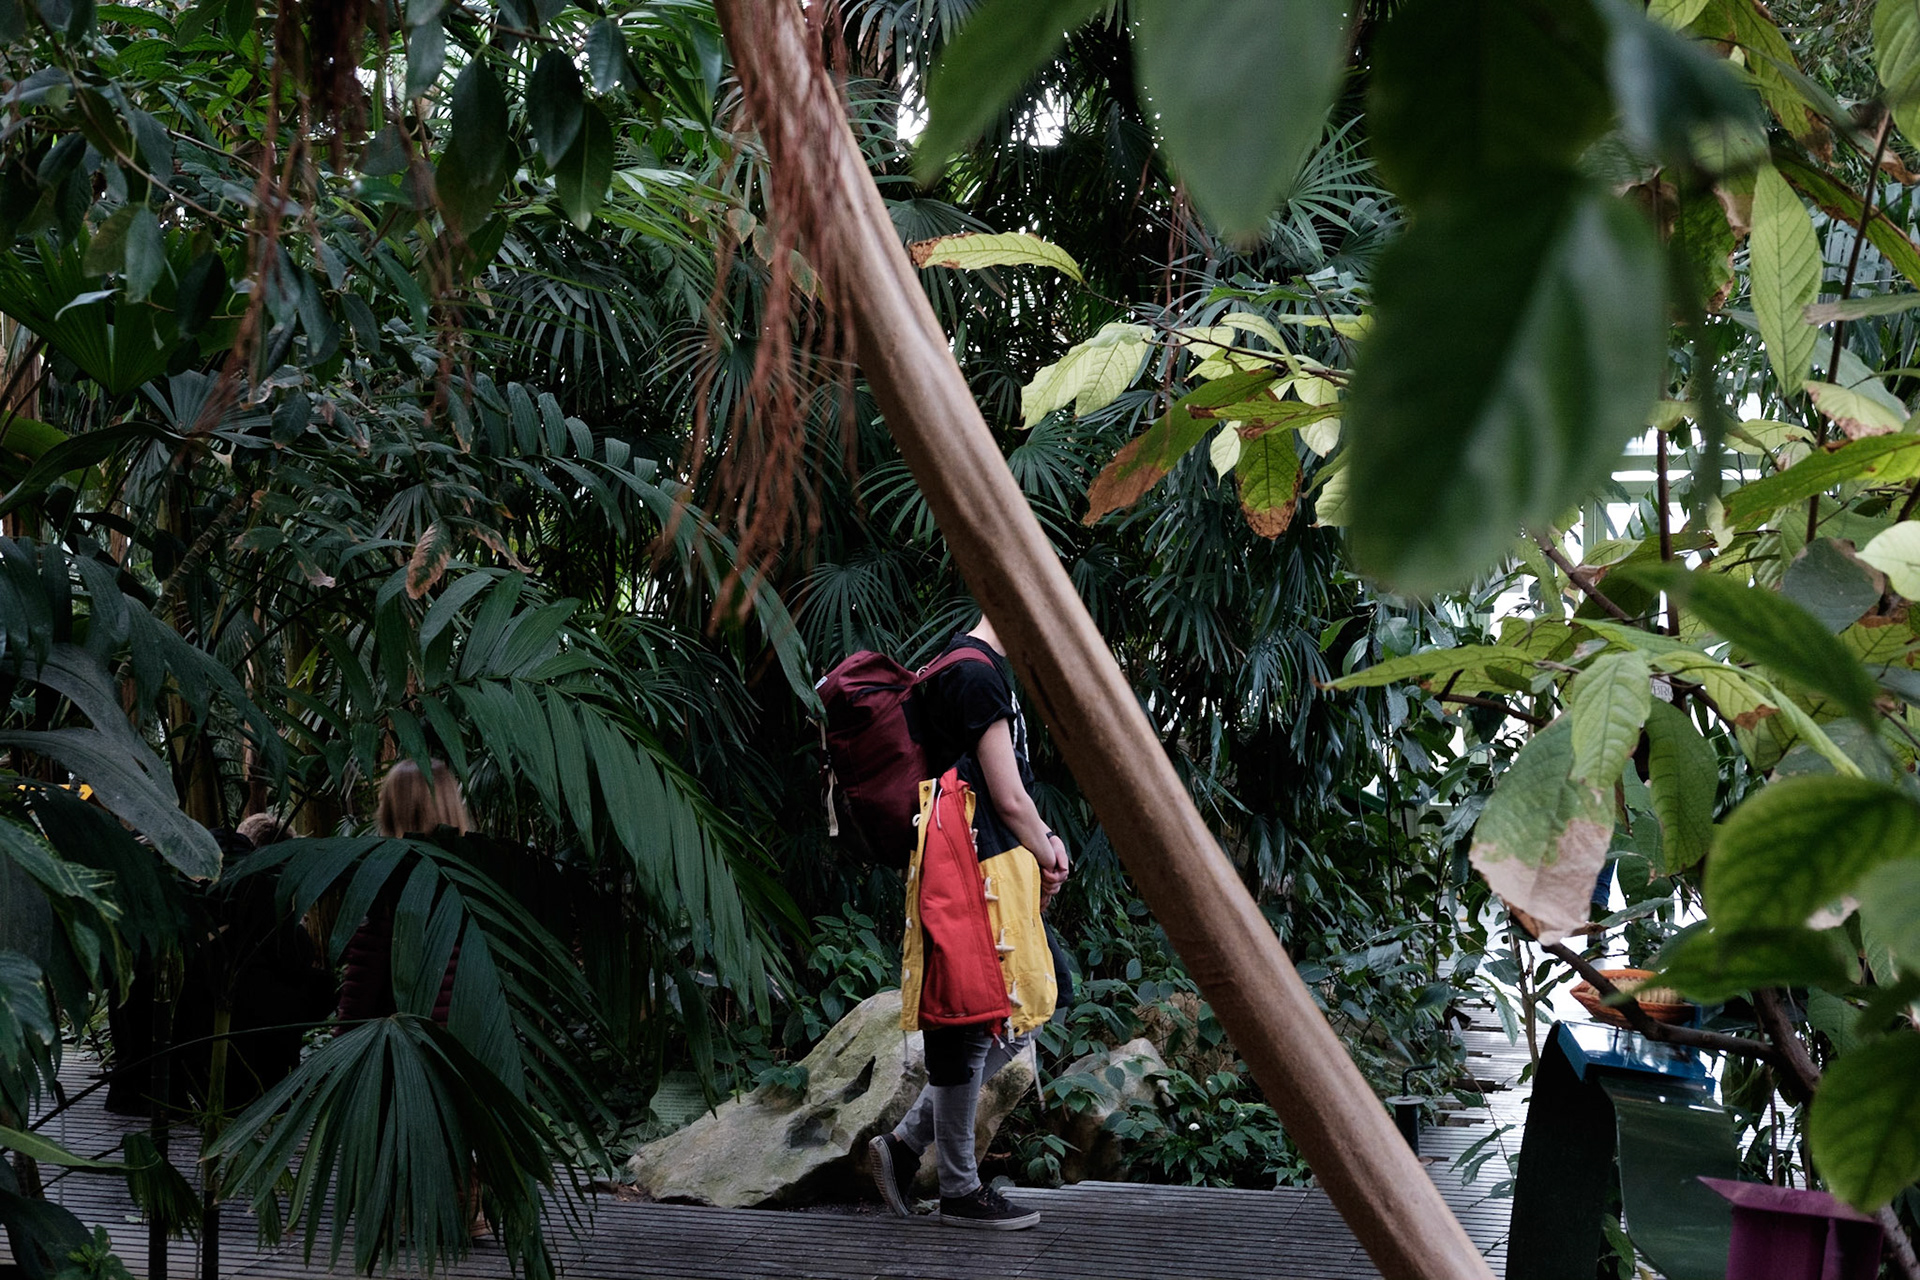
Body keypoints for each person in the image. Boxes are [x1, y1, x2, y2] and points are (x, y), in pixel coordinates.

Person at [868, 613, 1070, 1230]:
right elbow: (1007, 795)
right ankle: (959, 1189)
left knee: (1018, 1012)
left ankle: (905, 1145)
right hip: (978, 872)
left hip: (968, 866)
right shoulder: (978, 677)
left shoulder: (956, 663)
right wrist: (1049, 848)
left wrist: (1042, 845)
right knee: (972, 1025)